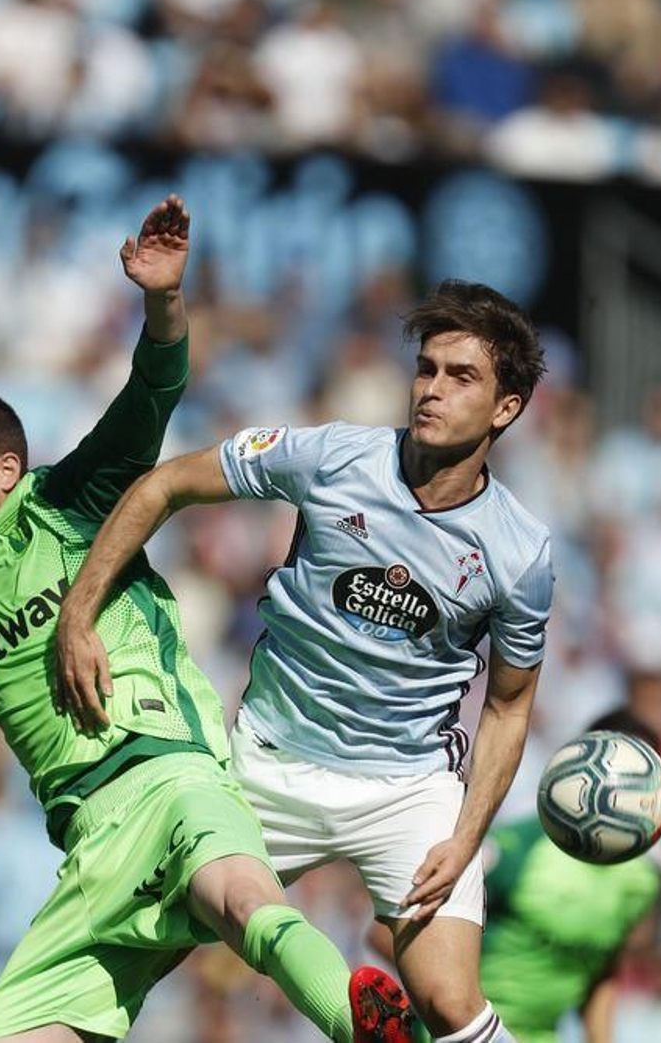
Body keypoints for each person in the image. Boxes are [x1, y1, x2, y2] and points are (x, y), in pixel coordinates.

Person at [0, 196, 411, 1043]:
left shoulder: (69, 502)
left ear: (7, 469)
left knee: (245, 903)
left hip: (168, 772)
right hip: (91, 847)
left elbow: (153, 392)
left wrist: (164, 300)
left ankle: (363, 1024)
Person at [56, 280, 553, 1043]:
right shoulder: (333, 456)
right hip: (269, 766)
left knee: (451, 1003)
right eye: (426, 368)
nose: (431, 389)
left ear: (506, 408)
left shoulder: (521, 552)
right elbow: (165, 484)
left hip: (405, 790)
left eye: (461, 377)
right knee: (125, 948)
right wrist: (78, 611)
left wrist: (464, 835)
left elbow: (510, 705)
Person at [370, 710, 661, 1043]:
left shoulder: (644, 882)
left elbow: (600, 972)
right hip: (462, 1034)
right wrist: (453, 1008)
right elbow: (386, 933)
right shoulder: (516, 852)